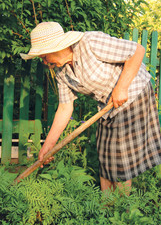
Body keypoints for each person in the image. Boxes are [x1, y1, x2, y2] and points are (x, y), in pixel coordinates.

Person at [20, 21, 161, 192]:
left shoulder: (89, 42)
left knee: (120, 156)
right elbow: (65, 107)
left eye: (43, 56)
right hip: (107, 105)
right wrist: (48, 145)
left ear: (54, 47)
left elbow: (137, 51)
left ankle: (123, 209)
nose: (43, 61)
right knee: (105, 153)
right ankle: (104, 204)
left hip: (132, 93)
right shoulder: (61, 71)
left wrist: (122, 87)